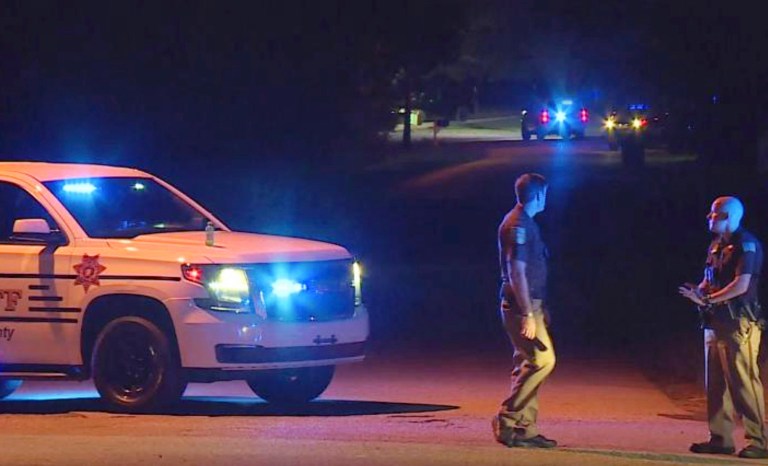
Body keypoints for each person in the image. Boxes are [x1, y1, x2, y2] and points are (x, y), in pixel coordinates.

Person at [679, 196, 768, 459]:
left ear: (729, 217)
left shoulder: (746, 245)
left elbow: (741, 285)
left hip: (738, 321)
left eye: (715, 214)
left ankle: (758, 441)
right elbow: (710, 279)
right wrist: (699, 292)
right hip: (715, 320)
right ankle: (720, 438)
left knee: (743, 382)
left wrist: (706, 299)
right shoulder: (718, 245)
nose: (709, 217)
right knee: (716, 383)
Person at [492, 173, 557, 449]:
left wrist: (540, 307)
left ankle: (525, 429)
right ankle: (507, 418)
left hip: (531, 303)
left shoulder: (526, 223)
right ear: (539, 195)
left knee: (527, 364)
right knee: (543, 361)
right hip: (521, 305)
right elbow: (515, 270)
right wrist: (529, 313)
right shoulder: (518, 225)